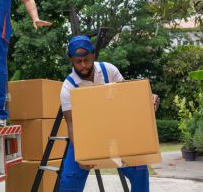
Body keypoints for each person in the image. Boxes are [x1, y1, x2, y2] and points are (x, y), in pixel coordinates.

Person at [59, 35, 160, 192]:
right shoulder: (68, 87)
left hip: (116, 135)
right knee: (68, 182)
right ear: (71, 59)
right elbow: (71, 125)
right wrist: (80, 155)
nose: (83, 65)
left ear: (93, 54)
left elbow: (128, 99)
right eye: (78, 62)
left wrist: (148, 100)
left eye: (86, 60)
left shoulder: (109, 70)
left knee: (140, 169)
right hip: (86, 138)